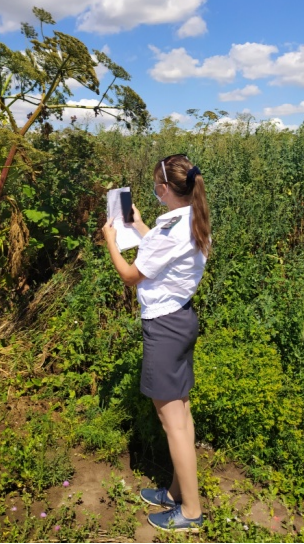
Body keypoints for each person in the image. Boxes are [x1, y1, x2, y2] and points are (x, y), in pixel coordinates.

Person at [102, 153, 211, 533]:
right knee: (182, 411)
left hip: (164, 327)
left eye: (155, 186)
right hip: (181, 319)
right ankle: (177, 492)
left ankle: (191, 512)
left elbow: (132, 275)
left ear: (164, 189)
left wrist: (111, 241)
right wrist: (143, 226)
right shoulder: (190, 220)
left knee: (172, 423)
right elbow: (164, 251)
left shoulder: (174, 227)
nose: (154, 191)